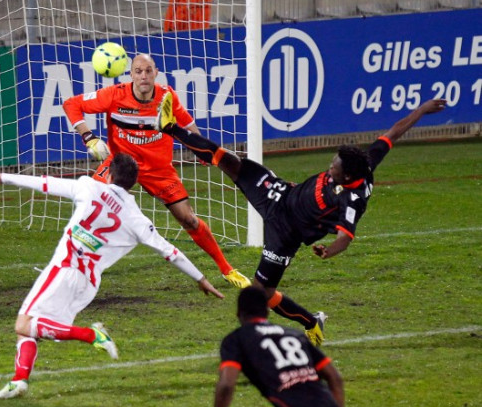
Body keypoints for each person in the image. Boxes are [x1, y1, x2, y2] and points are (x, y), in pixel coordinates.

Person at [156, 93, 447, 346]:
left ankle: (309, 322)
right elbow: (394, 132)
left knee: (260, 295)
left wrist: (328, 251)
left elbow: (345, 237)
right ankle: (170, 127)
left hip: (285, 233)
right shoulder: (364, 162)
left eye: (333, 167)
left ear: (346, 177)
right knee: (229, 160)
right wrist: (422, 110)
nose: (328, 165)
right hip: (281, 194)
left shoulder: (352, 199)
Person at [0, 153, 225, 399]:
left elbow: (45, 183)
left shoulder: (88, 187)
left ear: (110, 174)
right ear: (134, 182)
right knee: (29, 330)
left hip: (65, 267)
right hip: (88, 282)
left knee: (23, 324)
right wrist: (201, 279)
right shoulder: (137, 218)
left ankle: (92, 335)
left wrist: (1, 177)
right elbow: (170, 252)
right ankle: (19, 381)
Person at [62, 53, 250, 289]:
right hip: (120, 164)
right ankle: (70, 268)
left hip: (159, 170)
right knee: (90, 206)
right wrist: (88, 137)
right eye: (138, 71)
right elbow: (71, 104)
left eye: (148, 71)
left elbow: (187, 123)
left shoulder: (166, 96)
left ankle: (227, 269)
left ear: (156, 73)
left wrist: (203, 150)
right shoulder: (114, 94)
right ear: (131, 74)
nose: (143, 76)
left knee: (188, 218)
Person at [215, 285, 345, 407]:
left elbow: (227, 385)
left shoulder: (237, 339)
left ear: (238, 313)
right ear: (267, 311)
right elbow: (334, 377)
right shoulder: (295, 334)